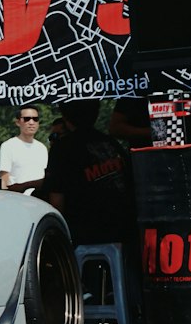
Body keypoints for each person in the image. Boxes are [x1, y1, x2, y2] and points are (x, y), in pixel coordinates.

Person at [42, 101, 136, 248]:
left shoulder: (62, 149)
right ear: (97, 113)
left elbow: (57, 201)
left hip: (85, 236)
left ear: (65, 116)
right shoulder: (112, 143)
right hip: (125, 230)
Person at [0, 106, 48, 194]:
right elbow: (4, 178)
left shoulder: (42, 148)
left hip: (40, 201)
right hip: (18, 200)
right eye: (27, 119)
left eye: (35, 119)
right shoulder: (8, 146)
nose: (31, 122)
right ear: (18, 122)